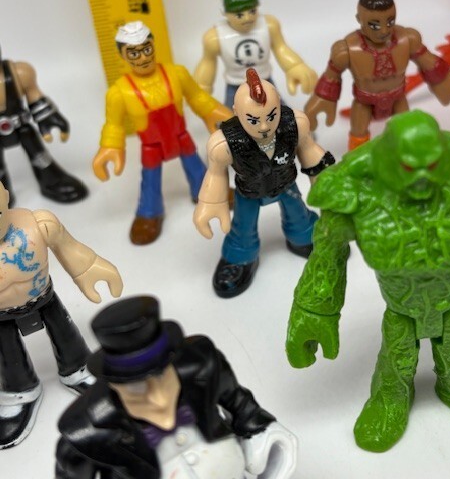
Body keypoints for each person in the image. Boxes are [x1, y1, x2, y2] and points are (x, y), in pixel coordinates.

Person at [287, 110, 450, 452]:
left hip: (449, 299)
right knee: (397, 358)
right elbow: (328, 251)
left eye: (431, 165)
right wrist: (314, 311)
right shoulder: (358, 188)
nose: (422, 178)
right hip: (400, 306)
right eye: (409, 167)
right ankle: (391, 397)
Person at [56, 295, 297, 479]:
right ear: (114, 386)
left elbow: (242, 406)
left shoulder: (203, 368)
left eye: (163, 377)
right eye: (137, 390)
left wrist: (264, 434)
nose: (160, 399)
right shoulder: (87, 433)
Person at [0, 182, 123, 449]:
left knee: (67, 337)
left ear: (6, 197)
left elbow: (70, 249)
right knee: (8, 356)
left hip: (44, 297)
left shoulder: (38, 224)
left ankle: (78, 369)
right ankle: (20, 391)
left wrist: (89, 268)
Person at [194, 69, 334, 298]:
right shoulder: (225, 143)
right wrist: (211, 202)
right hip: (249, 191)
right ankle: (240, 255)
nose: (263, 127)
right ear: (237, 113)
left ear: (279, 104)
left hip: (286, 183)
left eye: (271, 116)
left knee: (299, 215)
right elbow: (216, 174)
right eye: (253, 120)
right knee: (242, 227)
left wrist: (325, 180)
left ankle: (304, 237)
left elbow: (309, 150)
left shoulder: (294, 124)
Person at [93, 21, 232, 245]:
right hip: (152, 146)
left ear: (153, 45)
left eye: (147, 49)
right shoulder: (119, 92)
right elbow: (114, 125)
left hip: (180, 136)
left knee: (197, 168)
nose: (142, 58)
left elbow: (197, 97)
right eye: (134, 53)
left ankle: (206, 192)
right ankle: (150, 212)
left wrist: (214, 111)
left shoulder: (176, 73)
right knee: (150, 180)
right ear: (123, 56)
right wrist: (110, 147)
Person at [304, 0, 450, 150]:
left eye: (390, 22)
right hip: (365, 102)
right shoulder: (347, 50)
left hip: (398, 99)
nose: (384, 31)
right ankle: (358, 163)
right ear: (359, 19)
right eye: (374, 25)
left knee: (407, 131)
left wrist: (445, 82)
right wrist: (323, 99)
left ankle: (406, 158)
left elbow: (429, 63)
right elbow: (331, 77)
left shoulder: (408, 39)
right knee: (359, 135)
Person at [194, 0, 317, 108]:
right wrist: (200, 88)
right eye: (239, 15)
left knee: (278, 109)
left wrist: (295, 66)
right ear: (225, 13)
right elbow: (207, 62)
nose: (247, 18)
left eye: (252, 11)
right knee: (232, 116)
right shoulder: (215, 37)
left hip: (265, 81)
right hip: (235, 86)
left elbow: (281, 48)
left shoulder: (269, 26)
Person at [0, 50, 88, 205]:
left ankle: (51, 180)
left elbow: (35, 96)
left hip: (21, 127)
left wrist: (49, 117)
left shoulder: (19, 73)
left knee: (39, 155)